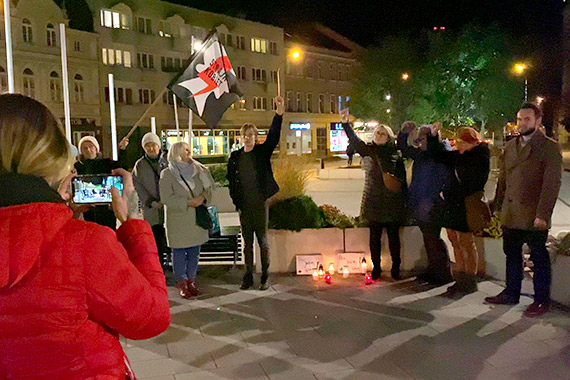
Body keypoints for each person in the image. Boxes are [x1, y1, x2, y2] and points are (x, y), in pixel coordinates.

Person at [0, 94, 170, 379]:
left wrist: (63, 213)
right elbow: (151, 317)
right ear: (51, 158)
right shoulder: (85, 244)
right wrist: (133, 224)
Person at [485, 102, 562, 317]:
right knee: (511, 254)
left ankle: (541, 300)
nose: (521, 123)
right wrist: (497, 206)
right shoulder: (511, 146)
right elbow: (503, 178)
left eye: (527, 119)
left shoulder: (548, 147)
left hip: (533, 214)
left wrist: (543, 215)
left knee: (538, 257)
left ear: (537, 121)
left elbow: (551, 184)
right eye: (519, 119)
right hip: (511, 212)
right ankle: (511, 292)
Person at [341, 110, 407, 280]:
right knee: (374, 237)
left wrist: (405, 203)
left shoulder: (395, 154)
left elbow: (402, 181)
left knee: (393, 238)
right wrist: (345, 123)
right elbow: (355, 141)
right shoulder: (369, 150)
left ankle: (396, 268)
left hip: (392, 201)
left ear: (389, 137)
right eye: (377, 132)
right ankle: (376, 267)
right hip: (374, 199)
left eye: (382, 133)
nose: (378, 135)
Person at [227, 96, 285, 290]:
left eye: (251, 135)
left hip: (260, 204)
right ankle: (248, 275)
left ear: (255, 137)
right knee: (247, 243)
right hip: (244, 206)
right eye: (245, 135)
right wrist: (236, 201)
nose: (248, 138)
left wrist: (278, 113)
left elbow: (274, 137)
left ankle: (265, 276)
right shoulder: (235, 157)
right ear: (241, 137)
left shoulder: (261, 152)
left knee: (262, 240)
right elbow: (231, 182)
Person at [428, 125, 490, 294]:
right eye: (457, 142)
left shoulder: (480, 157)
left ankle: (470, 279)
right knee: (454, 241)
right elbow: (437, 156)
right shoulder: (456, 156)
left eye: (462, 142)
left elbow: (474, 182)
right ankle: (460, 277)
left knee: (466, 244)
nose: (458, 145)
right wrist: (433, 137)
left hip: (466, 205)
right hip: (451, 205)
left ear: (472, 143)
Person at [397, 121, 455, 285]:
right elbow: (404, 148)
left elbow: (436, 149)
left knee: (433, 239)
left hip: (432, 204)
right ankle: (434, 269)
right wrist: (403, 133)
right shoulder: (422, 154)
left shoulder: (438, 152)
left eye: (423, 139)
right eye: (419, 139)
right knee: (429, 238)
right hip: (421, 203)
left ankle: (443, 273)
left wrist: (433, 136)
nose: (420, 142)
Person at [160, 141, 215, 299]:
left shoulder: (200, 170)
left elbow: (208, 190)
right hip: (178, 221)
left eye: (189, 149)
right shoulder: (167, 174)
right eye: (185, 149)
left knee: (194, 252)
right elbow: (166, 198)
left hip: (196, 219)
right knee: (178, 252)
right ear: (176, 152)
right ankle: (182, 283)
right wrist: (187, 203)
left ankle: (191, 281)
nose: (189, 152)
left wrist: (202, 198)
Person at [133, 132, 170, 270]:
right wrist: (150, 202)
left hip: (170, 207)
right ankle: (160, 266)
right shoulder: (140, 165)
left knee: (171, 238)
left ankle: (173, 264)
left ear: (159, 145)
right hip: (152, 209)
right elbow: (138, 186)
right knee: (156, 239)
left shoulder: (168, 160)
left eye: (153, 145)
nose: (151, 148)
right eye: (147, 146)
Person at [75, 135, 123, 229]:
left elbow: (121, 167)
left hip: (106, 208)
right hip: (88, 208)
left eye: (91, 147)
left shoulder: (106, 163)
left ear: (96, 149)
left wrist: (122, 150)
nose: (89, 150)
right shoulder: (78, 167)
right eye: (85, 148)